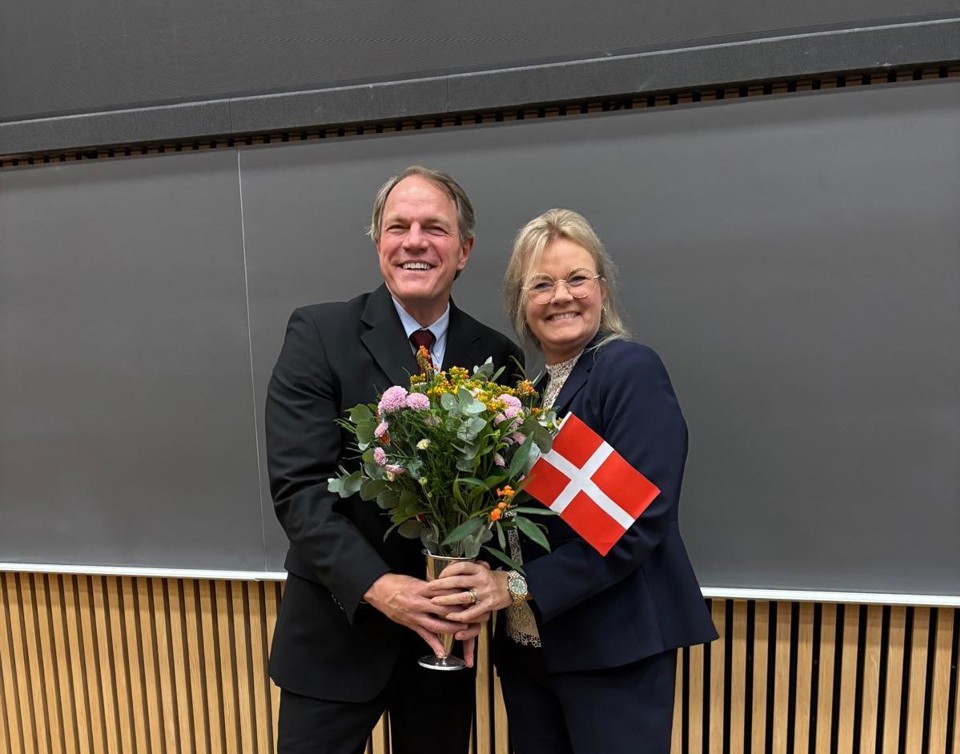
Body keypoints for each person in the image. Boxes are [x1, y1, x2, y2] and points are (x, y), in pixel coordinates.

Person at [429, 208, 718, 754]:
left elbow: (639, 518)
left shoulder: (627, 369)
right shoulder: (525, 397)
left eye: (577, 279)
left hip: (611, 650)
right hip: (529, 651)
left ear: (602, 290)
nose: (561, 295)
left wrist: (514, 586)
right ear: (522, 305)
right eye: (541, 284)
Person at [264, 166, 523, 754]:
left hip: (443, 648)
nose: (414, 241)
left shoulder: (499, 356)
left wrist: (487, 584)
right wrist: (381, 587)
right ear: (378, 242)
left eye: (434, 227)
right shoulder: (319, 333)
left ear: (464, 249)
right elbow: (299, 492)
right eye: (397, 226)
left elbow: (503, 500)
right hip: (336, 635)